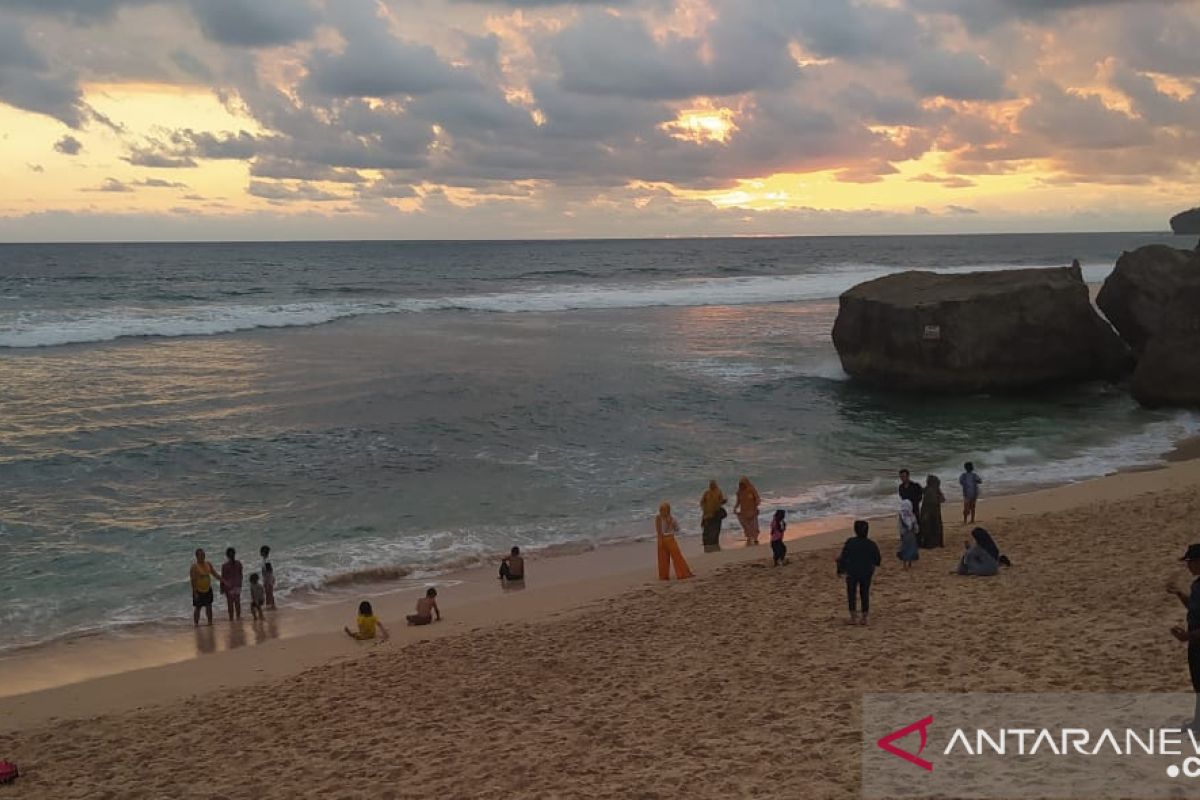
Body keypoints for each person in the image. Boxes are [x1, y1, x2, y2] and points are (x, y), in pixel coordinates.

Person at [1168, 544, 1200, 727]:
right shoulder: (1197, 585)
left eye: (1190, 562)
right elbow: (1194, 609)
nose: (1188, 566)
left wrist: (1188, 636)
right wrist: (1180, 594)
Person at [837, 520, 881, 625]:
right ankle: (864, 617)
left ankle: (853, 617)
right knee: (864, 592)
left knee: (851, 593)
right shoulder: (871, 544)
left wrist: (840, 569)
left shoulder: (850, 542)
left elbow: (843, 557)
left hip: (852, 572)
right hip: (866, 572)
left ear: (855, 530)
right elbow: (878, 560)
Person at [655, 502, 694, 580]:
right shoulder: (658, 518)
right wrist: (660, 540)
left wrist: (671, 525)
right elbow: (658, 531)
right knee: (662, 559)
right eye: (661, 510)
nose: (662, 511)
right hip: (662, 538)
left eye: (663, 510)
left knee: (677, 557)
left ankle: (683, 573)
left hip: (670, 538)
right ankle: (663, 576)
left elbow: (677, 529)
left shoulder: (672, 519)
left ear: (668, 510)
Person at [190, 548, 223, 626]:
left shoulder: (208, 564)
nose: (202, 556)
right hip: (198, 590)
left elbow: (214, 574)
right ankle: (196, 624)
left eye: (203, 555)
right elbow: (193, 581)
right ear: (197, 556)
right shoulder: (194, 567)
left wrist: (222, 579)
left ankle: (210, 622)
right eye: (201, 555)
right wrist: (195, 593)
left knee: (209, 606)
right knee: (198, 608)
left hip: (208, 589)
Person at [699, 480, 727, 552]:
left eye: (713, 484)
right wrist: (705, 507)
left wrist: (722, 502)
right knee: (707, 529)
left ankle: (714, 543)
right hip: (707, 514)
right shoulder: (707, 493)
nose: (711, 485)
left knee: (715, 529)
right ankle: (707, 543)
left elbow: (721, 500)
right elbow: (702, 502)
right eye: (711, 484)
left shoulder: (718, 492)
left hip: (716, 514)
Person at [734, 476, 762, 546]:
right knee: (746, 526)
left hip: (753, 511)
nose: (741, 485)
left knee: (754, 526)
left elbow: (757, 499)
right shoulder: (739, 492)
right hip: (743, 512)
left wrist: (756, 504)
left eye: (743, 484)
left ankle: (755, 539)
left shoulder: (751, 489)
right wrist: (735, 508)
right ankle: (749, 538)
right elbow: (738, 502)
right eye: (740, 484)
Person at [919, 475, 946, 548]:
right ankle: (937, 543)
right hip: (933, 510)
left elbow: (942, 499)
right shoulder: (934, 489)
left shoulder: (929, 489)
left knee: (928, 526)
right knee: (935, 526)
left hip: (928, 510)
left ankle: (929, 543)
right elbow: (942, 500)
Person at [220, 547, 244, 621]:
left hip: (229, 586)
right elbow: (241, 574)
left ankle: (232, 618)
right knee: (237, 602)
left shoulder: (225, 566)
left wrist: (222, 588)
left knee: (231, 603)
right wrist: (240, 583)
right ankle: (238, 617)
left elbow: (223, 577)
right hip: (236, 585)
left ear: (227, 556)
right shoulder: (238, 563)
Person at [897, 499, 919, 568]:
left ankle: (904, 564)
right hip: (912, 535)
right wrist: (916, 530)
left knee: (904, 548)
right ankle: (910, 562)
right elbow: (915, 525)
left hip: (904, 534)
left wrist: (901, 533)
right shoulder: (912, 515)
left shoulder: (901, 515)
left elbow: (900, 526)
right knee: (911, 548)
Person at [260, 545, 276, 609]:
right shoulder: (265, 560)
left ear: (263, 553)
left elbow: (269, 571)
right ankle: (271, 605)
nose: (260, 553)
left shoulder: (266, 561)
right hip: (268, 579)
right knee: (269, 593)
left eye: (261, 552)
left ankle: (270, 605)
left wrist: (268, 580)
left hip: (268, 579)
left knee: (269, 593)